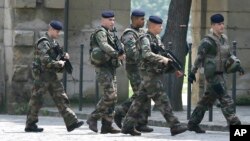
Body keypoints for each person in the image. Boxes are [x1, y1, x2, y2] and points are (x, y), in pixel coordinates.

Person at [121, 15, 187, 136]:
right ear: (152, 26)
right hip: (148, 74)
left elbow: (163, 53)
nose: (161, 28)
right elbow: (146, 54)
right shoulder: (145, 38)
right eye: (159, 26)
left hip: (153, 72)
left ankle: (127, 125)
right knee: (162, 99)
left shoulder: (156, 38)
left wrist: (174, 68)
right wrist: (162, 58)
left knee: (139, 100)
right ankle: (174, 125)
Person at [188, 13, 245, 133]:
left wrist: (238, 67)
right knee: (226, 100)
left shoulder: (224, 39)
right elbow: (199, 58)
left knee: (206, 101)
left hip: (222, 74)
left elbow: (228, 55)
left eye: (223, 23)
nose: (222, 26)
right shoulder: (207, 41)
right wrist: (192, 72)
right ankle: (237, 127)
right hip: (213, 76)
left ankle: (193, 123)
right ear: (213, 25)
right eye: (219, 24)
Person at [25, 20, 83, 132]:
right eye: (56, 31)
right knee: (37, 99)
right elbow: (45, 60)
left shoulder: (54, 43)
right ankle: (30, 124)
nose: (58, 33)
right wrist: (58, 63)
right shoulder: (43, 42)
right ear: (50, 29)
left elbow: (56, 57)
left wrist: (63, 57)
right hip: (42, 75)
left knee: (61, 97)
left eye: (59, 31)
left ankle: (71, 122)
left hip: (51, 75)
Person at [114, 9, 153, 133]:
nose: (143, 21)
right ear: (135, 19)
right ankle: (121, 110)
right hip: (135, 69)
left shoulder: (141, 32)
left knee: (146, 95)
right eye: (141, 19)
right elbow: (131, 53)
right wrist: (145, 56)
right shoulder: (129, 34)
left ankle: (142, 123)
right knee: (140, 95)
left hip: (143, 68)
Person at [87, 10, 125, 134]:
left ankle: (107, 125)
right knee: (110, 95)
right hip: (103, 67)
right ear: (102, 20)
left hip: (111, 67)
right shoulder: (100, 32)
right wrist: (117, 54)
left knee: (114, 97)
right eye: (110, 20)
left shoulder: (111, 34)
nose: (112, 22)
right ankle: (93, 117)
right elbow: (104, 46)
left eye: (113, 20)